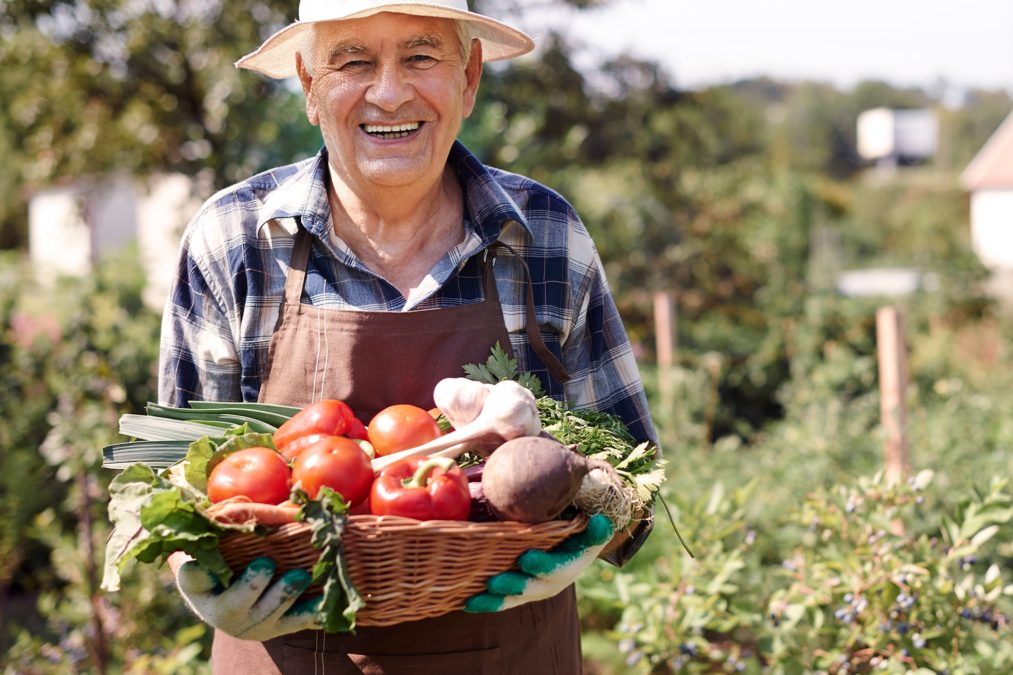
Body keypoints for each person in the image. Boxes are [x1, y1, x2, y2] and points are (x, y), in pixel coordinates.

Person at [157, 1, 658, 672]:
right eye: (353, 60)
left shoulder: (548, 236)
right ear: (309, 85)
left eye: (420, 57)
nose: (389, 93)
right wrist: (198, 580)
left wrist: (591, 529)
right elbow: (166, 489)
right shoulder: (232, 242)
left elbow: (634, 475)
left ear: (470, 78)